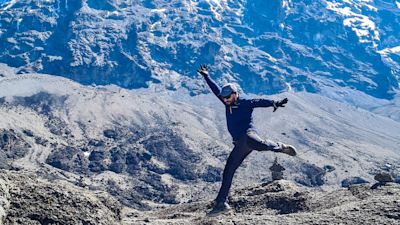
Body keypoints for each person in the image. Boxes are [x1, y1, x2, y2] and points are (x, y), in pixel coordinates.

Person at [197, 64, 297, 215]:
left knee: (259, 144)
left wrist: (273, 103)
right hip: (239, 143)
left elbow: (257, 101)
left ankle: (280, 146)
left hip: (248, 134)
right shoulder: (226, 101)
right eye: (223, 98)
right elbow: (215, 89)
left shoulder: (243, 102)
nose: (225, 100)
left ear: (235, 94)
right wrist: (206, 75)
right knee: (228, 170)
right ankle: (221, 203)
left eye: (228, 97)